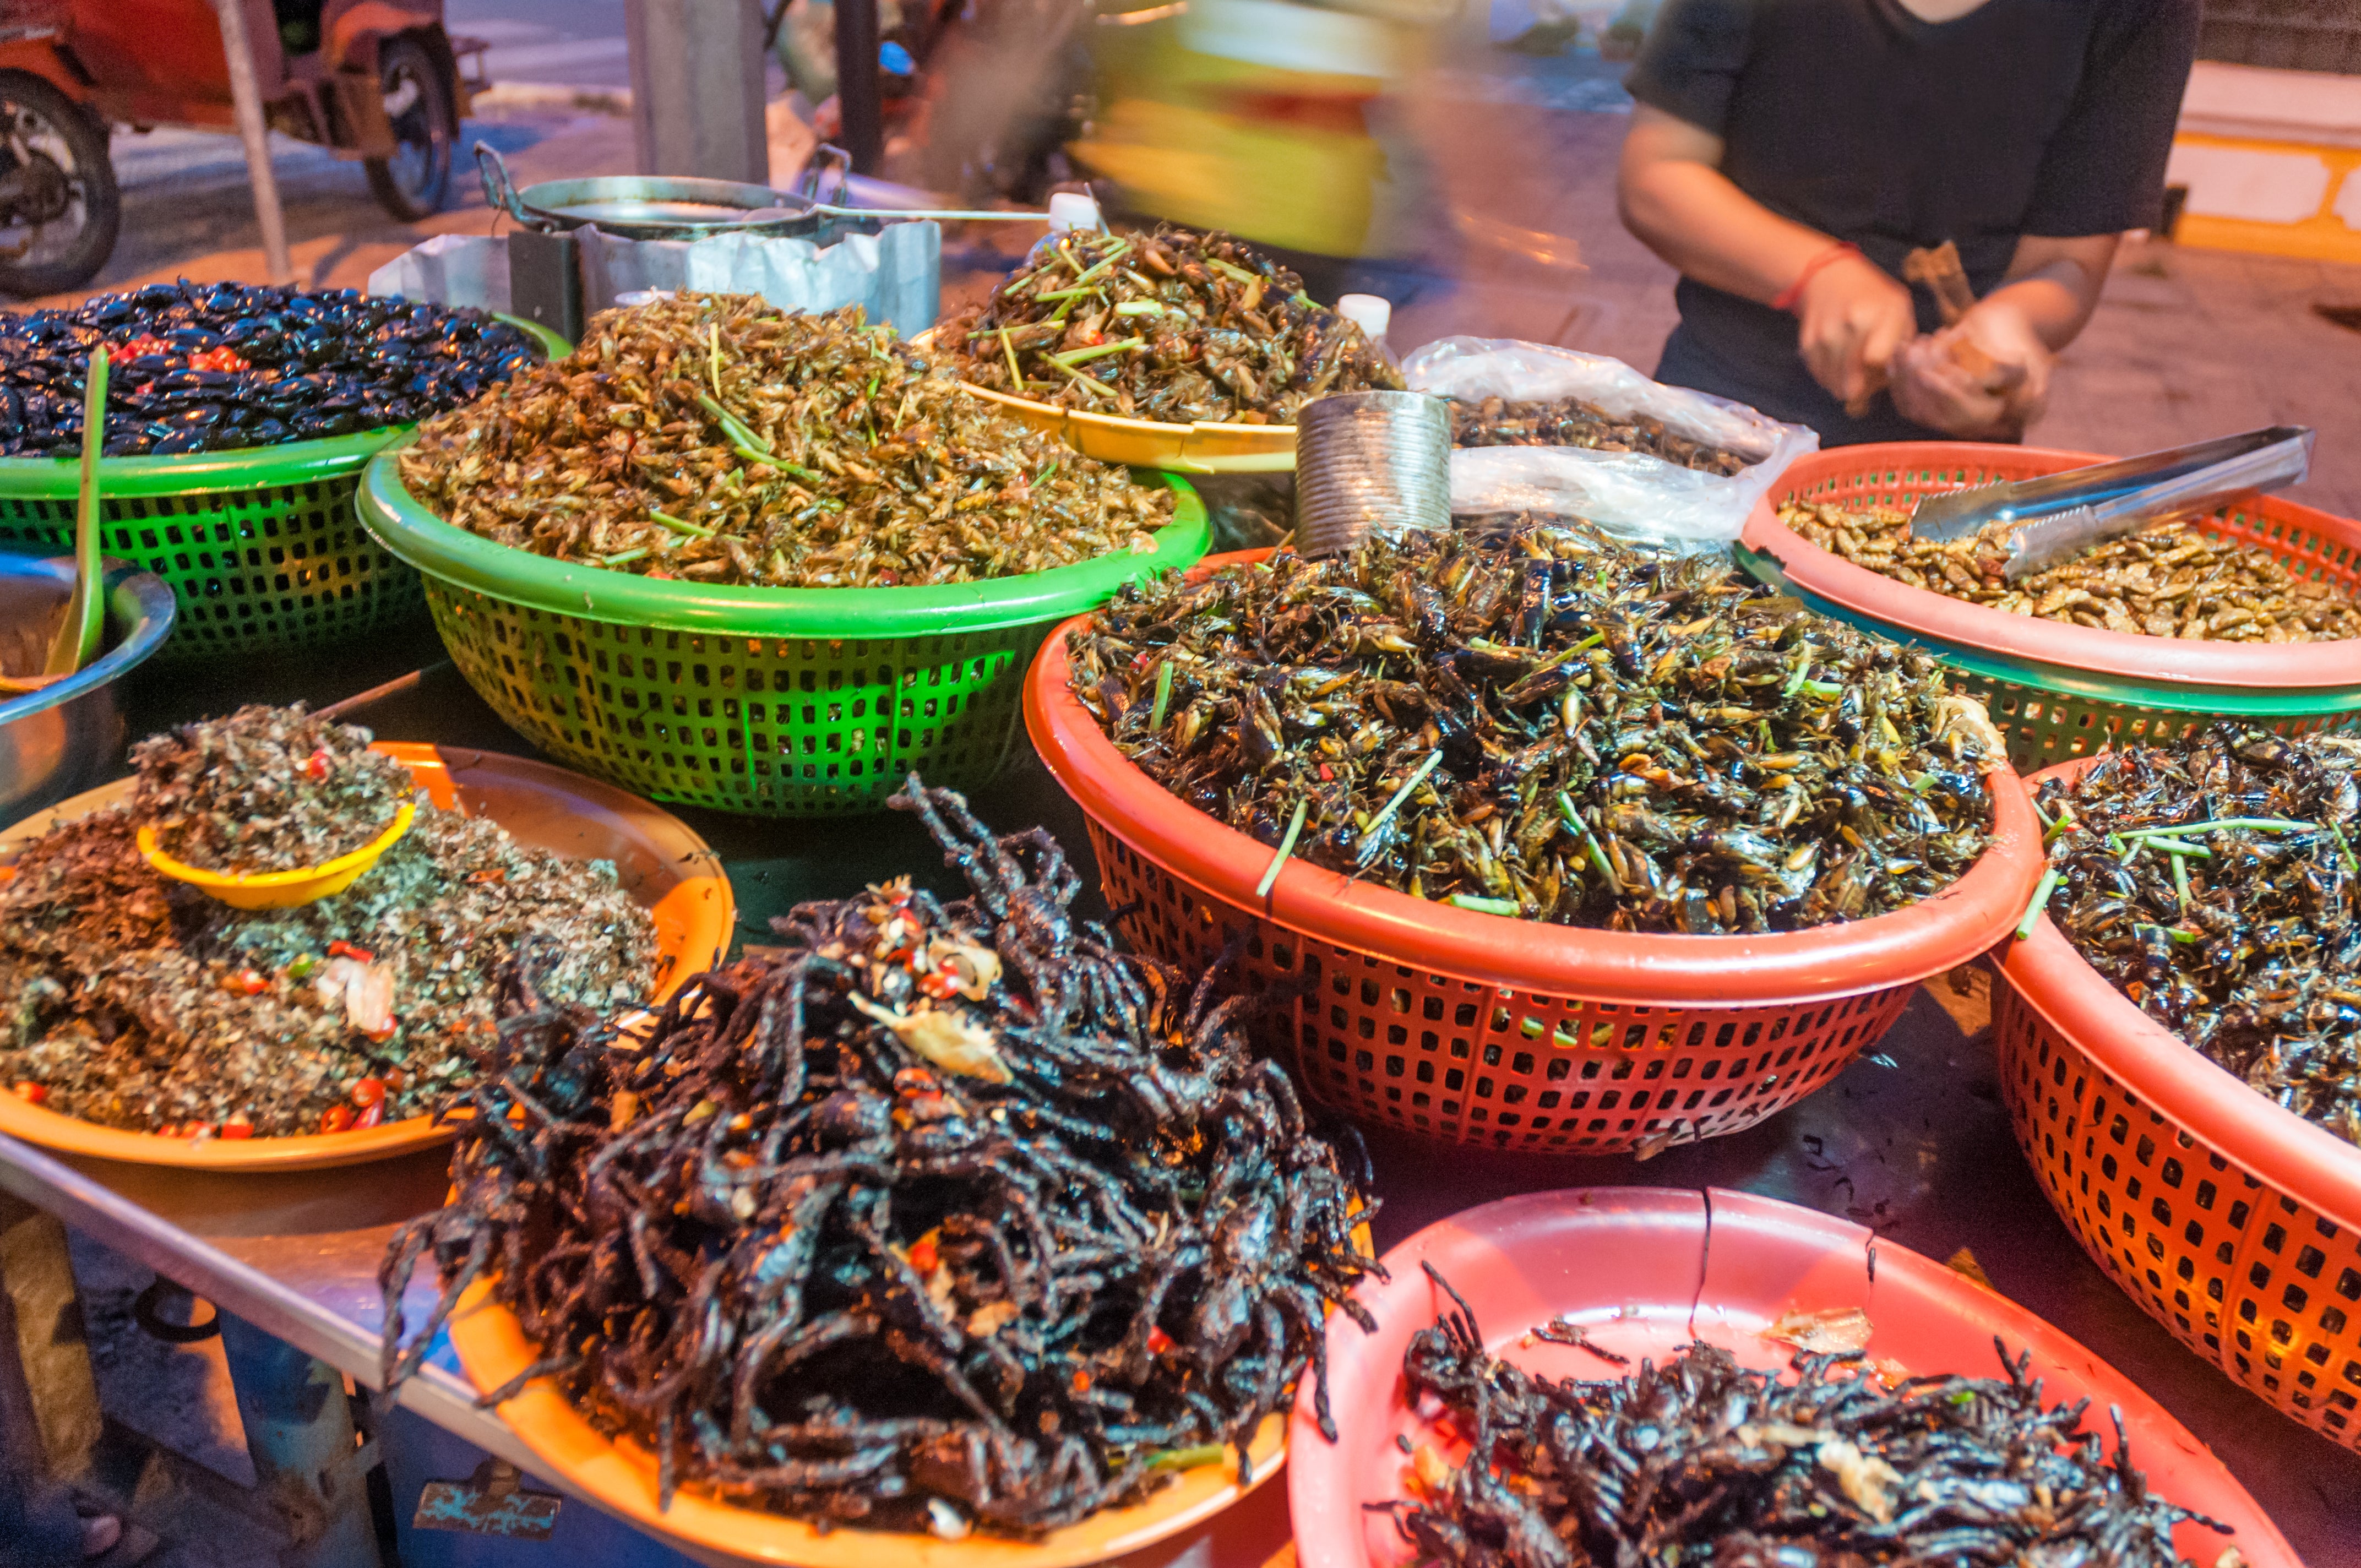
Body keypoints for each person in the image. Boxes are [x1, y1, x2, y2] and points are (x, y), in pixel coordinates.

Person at [1614, 0, 2200, 445]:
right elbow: (1657, 175)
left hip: (1947, 463)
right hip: (1721, 411)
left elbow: (2066, 262)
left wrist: (2010, 327)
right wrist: (1816, 273)